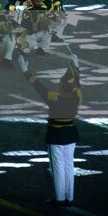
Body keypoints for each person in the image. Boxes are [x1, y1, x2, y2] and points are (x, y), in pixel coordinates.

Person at [26, 61, 82, 206]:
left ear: (62, 86)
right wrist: (77, 67)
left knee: (57, 167)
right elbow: (77, 83)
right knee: (69, 166)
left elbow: (39, 87)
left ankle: (59, 198)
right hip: (70, 133)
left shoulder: (54, 97)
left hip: (56, 135)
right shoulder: (76, 96)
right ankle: (70, 196)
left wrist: (26, 71)